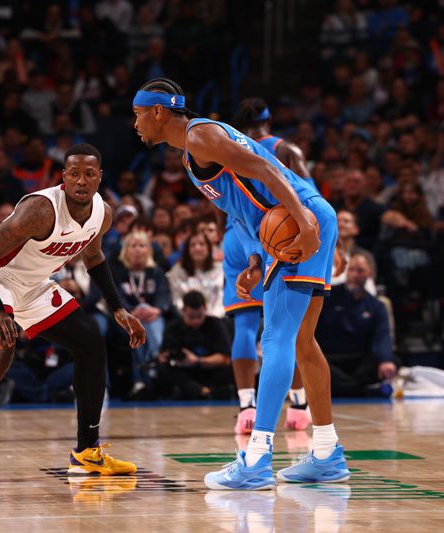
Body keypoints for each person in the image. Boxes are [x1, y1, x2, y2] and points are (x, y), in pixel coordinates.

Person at [133, 78, 349, 490]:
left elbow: (266, 169)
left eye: (138, 114)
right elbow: (245, 203)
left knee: (277, 339)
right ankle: (326, 452)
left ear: (159, 112)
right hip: (292, 224)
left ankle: (256, 459)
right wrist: (256, 257)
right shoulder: (193, 149)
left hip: (298, 220)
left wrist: (302, 218)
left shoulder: (203, 135)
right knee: (302, 341)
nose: (136, 124)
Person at [0, 144, 145, 486]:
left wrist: (118, 308)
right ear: (63, 177)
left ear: (100, 177)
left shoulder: (103, 213)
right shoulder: (41, 209)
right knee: (0, 352)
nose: (81, 181)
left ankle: (87, 453)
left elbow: (94, 256)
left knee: (90, 344)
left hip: (34, 284)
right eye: (74, 174)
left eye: (89, 174)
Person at [232, 97, 318, 433]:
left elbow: (223, 205)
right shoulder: (287, 150)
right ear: (270, 121)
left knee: (244, 321)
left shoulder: (231, 149)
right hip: (281, 232)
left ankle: (245, 408)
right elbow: (309, 195)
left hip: (239, 233)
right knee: (285, 329)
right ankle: (297, 405)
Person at [316, 251, 397, 396]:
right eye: (351, 270)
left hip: (359, 360)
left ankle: (344, 388)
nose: (354, 275)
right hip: (330, 358)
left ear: (369, 274)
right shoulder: (327, 297)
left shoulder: (376, 306)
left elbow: (382, 336)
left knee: (392, 360)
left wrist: (385, 360)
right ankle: (360, 389)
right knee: (314, 365)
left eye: (360, 271)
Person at [113, 229, 171, 395]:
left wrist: (156, 309)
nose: (138, 249)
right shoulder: (119, 274)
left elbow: (163, 294)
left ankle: (144, 373)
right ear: (126, 250)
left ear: (149, 251)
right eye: (133, 246)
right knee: (137, 326)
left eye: (142, 245)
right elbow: (117, 297)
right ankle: (152, 362)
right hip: (127, 318)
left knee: (148, 319)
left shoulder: (157, 272)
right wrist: (131, 312)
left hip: (153, 317)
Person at [156, 291, 233, 399]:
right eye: (191, 317)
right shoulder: (173, 328)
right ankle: (205, 392)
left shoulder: (216, 325)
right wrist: (173, 358)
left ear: (205, 309)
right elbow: (163, 356)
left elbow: (225, 358)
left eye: (199, 316)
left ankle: (198, 391)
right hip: (185, 373)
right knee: (164, 369)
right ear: (183, 311)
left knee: (233, 367)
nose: (196, 321)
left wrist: (198, 361)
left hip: (210, 371)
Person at [166, 231, 224, 318]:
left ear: (209, 248)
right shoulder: (177, 271)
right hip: (186, 320)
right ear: (187, 250)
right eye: (193, 245)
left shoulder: (219, 270)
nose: (197, 248)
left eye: (202, 244)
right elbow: (176, 301)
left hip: (215, 319)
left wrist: (211, 318)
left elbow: (220, 300)